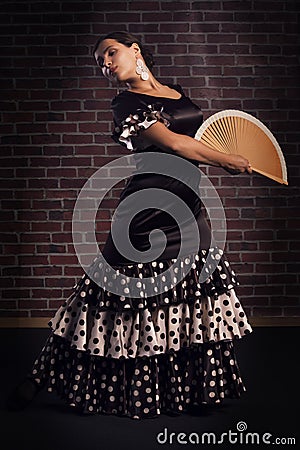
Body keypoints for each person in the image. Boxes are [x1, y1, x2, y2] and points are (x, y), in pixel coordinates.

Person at [6, 31, 253, 420]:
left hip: (190, 206)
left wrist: (221, 157)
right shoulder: (125, 103)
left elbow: (194, 139)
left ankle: (200, 388)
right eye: (100, 61)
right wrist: (226, 159)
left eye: (110, 53)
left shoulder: (177, 92)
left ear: (134, 50)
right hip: (146, 210)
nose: (105, 63)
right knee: (98, 297)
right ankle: (41, 377)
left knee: (196, 295)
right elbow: (174, 144)